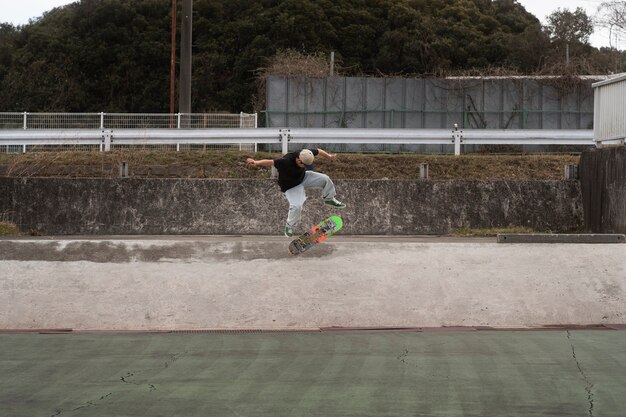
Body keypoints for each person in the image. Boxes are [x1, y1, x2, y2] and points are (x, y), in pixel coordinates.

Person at [246, 148, 346, 237]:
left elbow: (318, 151)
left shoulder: (306, 153)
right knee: (297, 206)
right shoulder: (285, 161)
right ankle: (289, 226)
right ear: (298, 159)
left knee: (325, 179)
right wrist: (255, 162)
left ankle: (329, 199)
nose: (304, 166)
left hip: (303, 178)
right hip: (290, 186)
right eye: (303, 164)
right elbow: (269, 162)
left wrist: (329, 156)